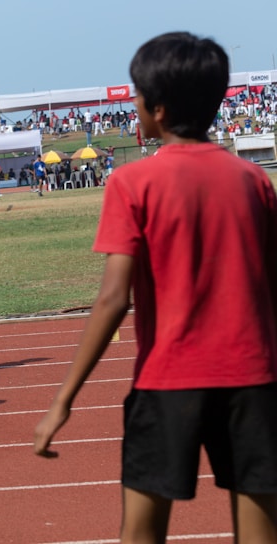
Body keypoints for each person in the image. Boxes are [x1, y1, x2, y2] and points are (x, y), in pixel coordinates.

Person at [33, 32, 277, 543]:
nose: (134, 107)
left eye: (136, 97)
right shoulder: (255, 182)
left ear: (158, 110)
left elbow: (113, 298)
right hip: (253, 383)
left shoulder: (132, 183)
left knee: (142, 535)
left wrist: (64, 398)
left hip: (169, 383)